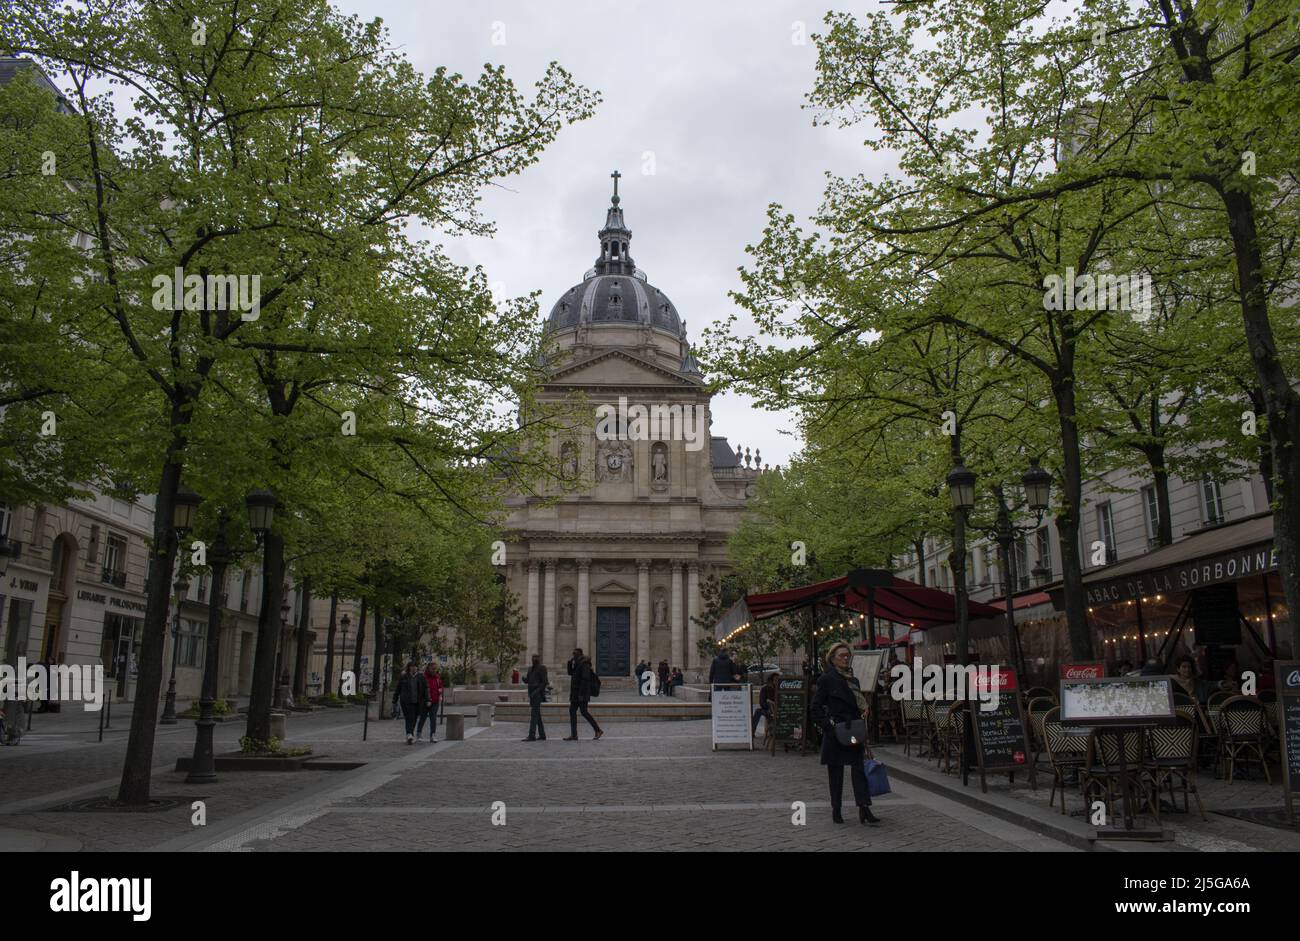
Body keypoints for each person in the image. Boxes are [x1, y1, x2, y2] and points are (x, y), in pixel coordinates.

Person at [810, 642, 879, 825]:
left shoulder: (853, 680)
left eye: (847, 655)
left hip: (854, 730)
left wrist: (863, 711)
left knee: (859, 770)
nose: (845, 658)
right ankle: (836, 809)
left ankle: (864, 808)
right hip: (836, 732)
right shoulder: (826, 679)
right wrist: (829, 727)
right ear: (832, 659)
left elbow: (857, 703)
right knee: (836, 773)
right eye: (841, 655)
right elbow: (815, 708)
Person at [564, 649, 603, 741]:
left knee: (584, 712)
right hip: (575, 693)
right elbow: (570, 673)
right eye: (573, 653)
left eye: (575, 654)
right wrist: (570, 662)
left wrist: (581, 694)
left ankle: (598, 730)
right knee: (572, 711)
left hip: (581, 693)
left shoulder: (585, 664)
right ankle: (574, 735)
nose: (573, 655)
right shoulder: (577, 663)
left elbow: (585, 680)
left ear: (580, 654)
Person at [393, 661, 429, 745]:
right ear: (409, 668)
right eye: (412, 666)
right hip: (406, 701)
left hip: (417, 701)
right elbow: (398, 688)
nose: (414, 668)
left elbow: (425, 689)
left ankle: (410, 734)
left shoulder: (421, 677)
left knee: (414, 718)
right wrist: (394, 700)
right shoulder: (404, 677)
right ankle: (409, 734)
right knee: (409, 717)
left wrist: (428, 699)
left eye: (415, 666)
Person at [415, 663, 443, 742]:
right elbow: (421, 689)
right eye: (432, 669)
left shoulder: (437, 677)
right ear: (428, 668)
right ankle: (419, 733)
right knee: (423, 717)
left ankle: (432, 735)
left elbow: (440, 685)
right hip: (425, 701)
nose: (434, 670)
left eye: (435, 669)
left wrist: (440, 691)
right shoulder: (424, 677)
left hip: (435, 701)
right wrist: (427, 700)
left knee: (433, 718)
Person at [523, 654, 548, 742]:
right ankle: (542, 735)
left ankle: (531, 735)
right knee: (537, 716)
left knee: (534, 715)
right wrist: (524, 679)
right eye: (533, 658)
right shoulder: (530, 669)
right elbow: (528, 680)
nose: (534, 660)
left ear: (539, 660)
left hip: (537, 695)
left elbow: (544, 682)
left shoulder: (542, 668)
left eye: (536, 658)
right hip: (531, 694)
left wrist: (536, 692)